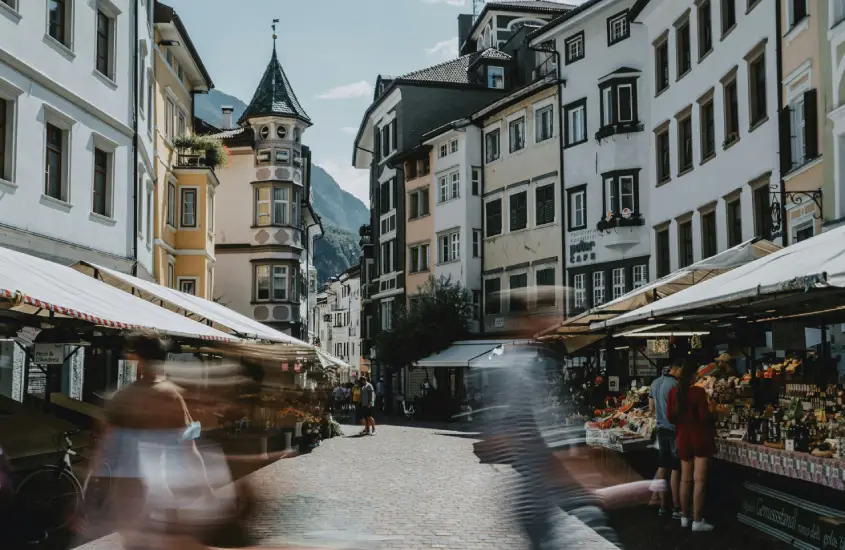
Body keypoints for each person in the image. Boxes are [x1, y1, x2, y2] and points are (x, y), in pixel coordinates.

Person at [666, 358, 717, 532]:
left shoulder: (673, 393)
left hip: (682, 438)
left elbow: (670, 418)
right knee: (699, 480)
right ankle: (697, 521)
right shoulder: (698, 392)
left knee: (685, 479)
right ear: (694, 374)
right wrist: (713, 410)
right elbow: (705, 417)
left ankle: (684, 517)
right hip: (699, 438)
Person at [649, 363, 682, 519]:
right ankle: (676, 507)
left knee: (663, 466)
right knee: (675, 469)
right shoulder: (675, 384)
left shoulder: (655, 383)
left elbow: (651, 409)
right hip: (674, 430)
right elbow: (678, 410)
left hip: (661, 429)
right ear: (674, 369)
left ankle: (662, 506)